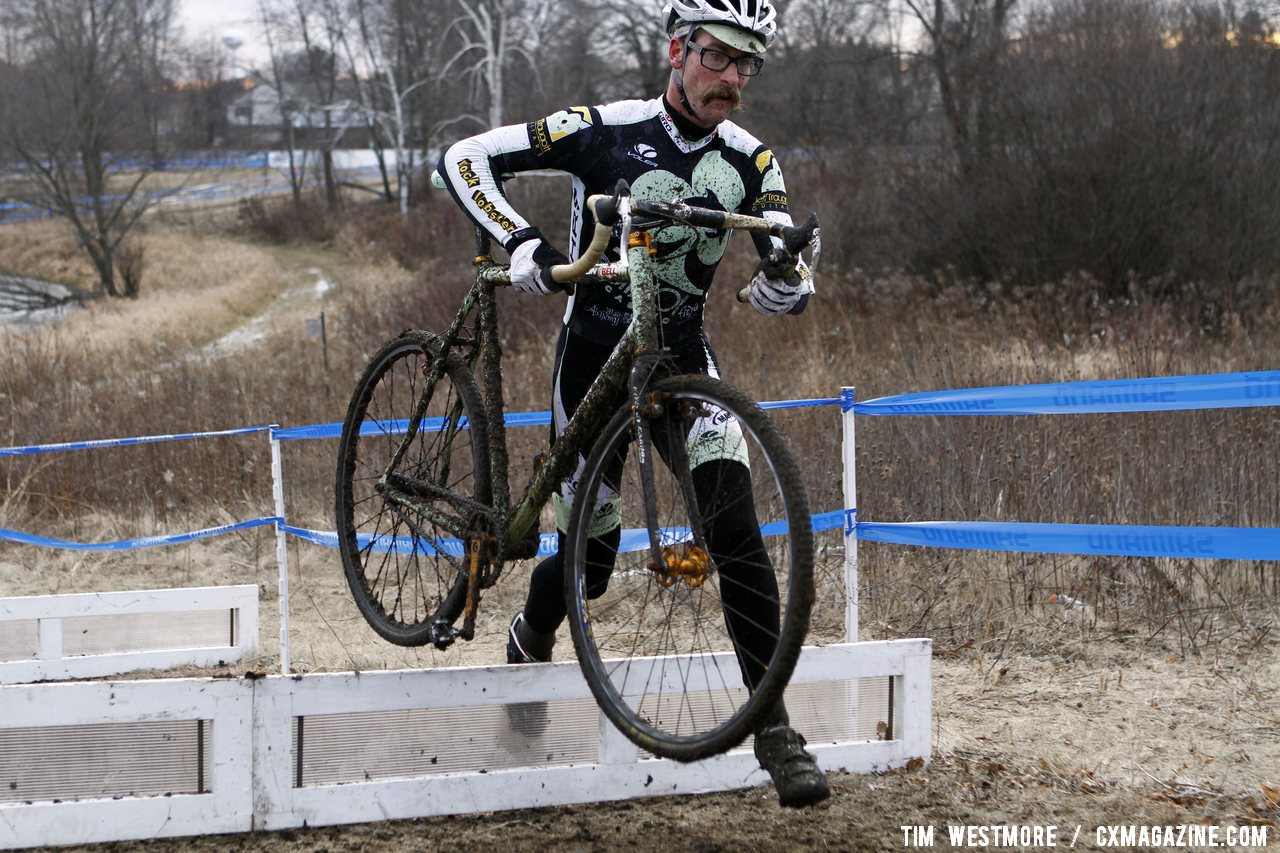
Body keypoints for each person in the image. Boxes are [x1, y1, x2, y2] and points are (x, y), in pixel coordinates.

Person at [437, 0, 828, 809]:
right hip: (593, 365)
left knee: (736, 531)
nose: (733, 79)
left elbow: (783, 251)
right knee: (592, 564)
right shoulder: (602, 129)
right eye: (719, 58)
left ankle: (777, 732)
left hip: (685, 364)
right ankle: (531, 631)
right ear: (678, 50)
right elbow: (466, 157)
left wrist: (787, 280)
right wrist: (524, 244)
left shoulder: (752, 159)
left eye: (747, 64)